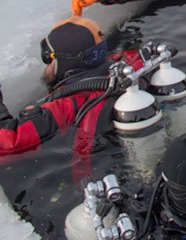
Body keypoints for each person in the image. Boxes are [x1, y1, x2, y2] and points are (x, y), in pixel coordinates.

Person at [0, 16, 144, 162]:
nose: (46, 64)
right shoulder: (129, 67)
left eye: (47, 57)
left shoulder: (66, 105)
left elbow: (7, 143)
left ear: (64, 61)